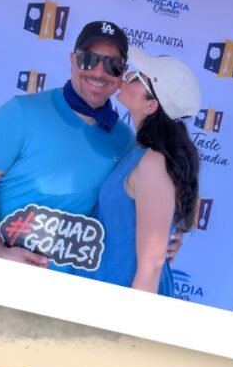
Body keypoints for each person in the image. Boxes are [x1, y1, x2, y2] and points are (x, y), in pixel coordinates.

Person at [0, 20, 133, 269]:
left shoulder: (125, 140)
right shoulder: (22, 112)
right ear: (73, 60)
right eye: (89, 60)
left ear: (122, 74)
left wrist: (164, 238)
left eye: (112, 65)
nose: (99, 72)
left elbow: (128, 208)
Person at [82, 47, 201, 295]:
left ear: (150, 106)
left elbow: (150, 267)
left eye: (137, 77)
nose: (126, 76)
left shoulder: (153, 163)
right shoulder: (139, 152)